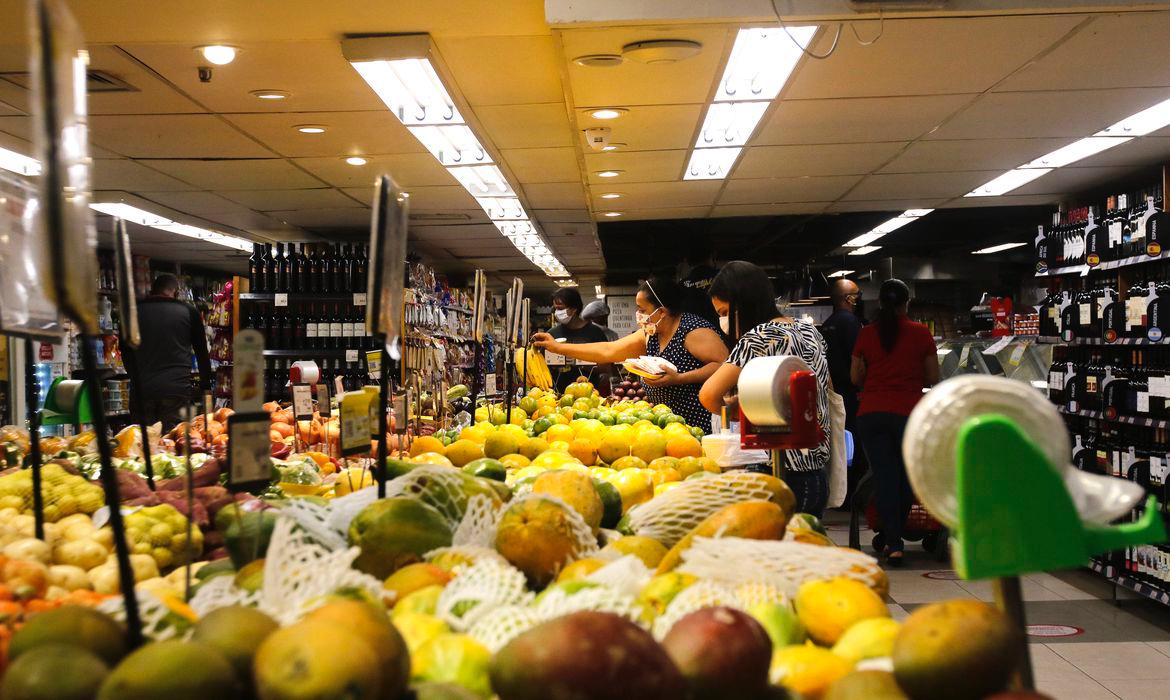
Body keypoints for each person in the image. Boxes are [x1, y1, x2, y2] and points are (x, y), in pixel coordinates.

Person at [699, 261, 833, 517]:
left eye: (725, 312)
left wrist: (740, 410)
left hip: (777, 472)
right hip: (816, 474)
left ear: (743, 303)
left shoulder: (759, 337)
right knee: (807, 536)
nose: (723, 321)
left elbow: (708, 395)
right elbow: (822, 387)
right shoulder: (810, 332)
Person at [533, 277, 727, 432]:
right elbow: (608, 351)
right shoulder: (650, 333)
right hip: (666, 423)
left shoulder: (692, 331)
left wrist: (679, 378)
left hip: (696, 422)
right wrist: (557, 347)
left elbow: (723, 364)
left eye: (642, 309)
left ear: (661, 312)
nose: (638, 314)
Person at [851, 279, 940, 567]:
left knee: (885, 476)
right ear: (907, 303)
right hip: (909, 414)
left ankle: (893, 541)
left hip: (872, 414)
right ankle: (894, 538)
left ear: (880, 303)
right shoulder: (921, 333)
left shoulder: (866, 333)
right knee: (907, 478)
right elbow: (933, 377)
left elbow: (855, 377)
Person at [123, 273, 212, 428]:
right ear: (176, 293)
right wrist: (206, 386)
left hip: (142, 391)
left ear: (152, 291)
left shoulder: (133, 312)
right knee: (174, 438)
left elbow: (125, 352)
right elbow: (202, 353)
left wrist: (137, 377)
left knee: (141, 438)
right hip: (176, 391)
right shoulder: (189, 312)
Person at [819, 278, 864, 507]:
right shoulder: (851, 322)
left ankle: (841, 493)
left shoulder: (828, 324)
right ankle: (853, 496)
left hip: (833, 394)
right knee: (855, 447)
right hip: (852, 394)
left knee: (840, 445)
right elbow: (859, 360)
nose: (859, 299)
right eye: (857, 294)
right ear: (848, 299)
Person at [546, 287, 611, 393]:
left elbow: (606, 366)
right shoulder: (552, 334)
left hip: (590, 393)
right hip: (558, 394)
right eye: (555, 309)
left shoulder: (595, 333)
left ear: (574, 309)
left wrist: (578, 360)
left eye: (561, 309)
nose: (557, 313)